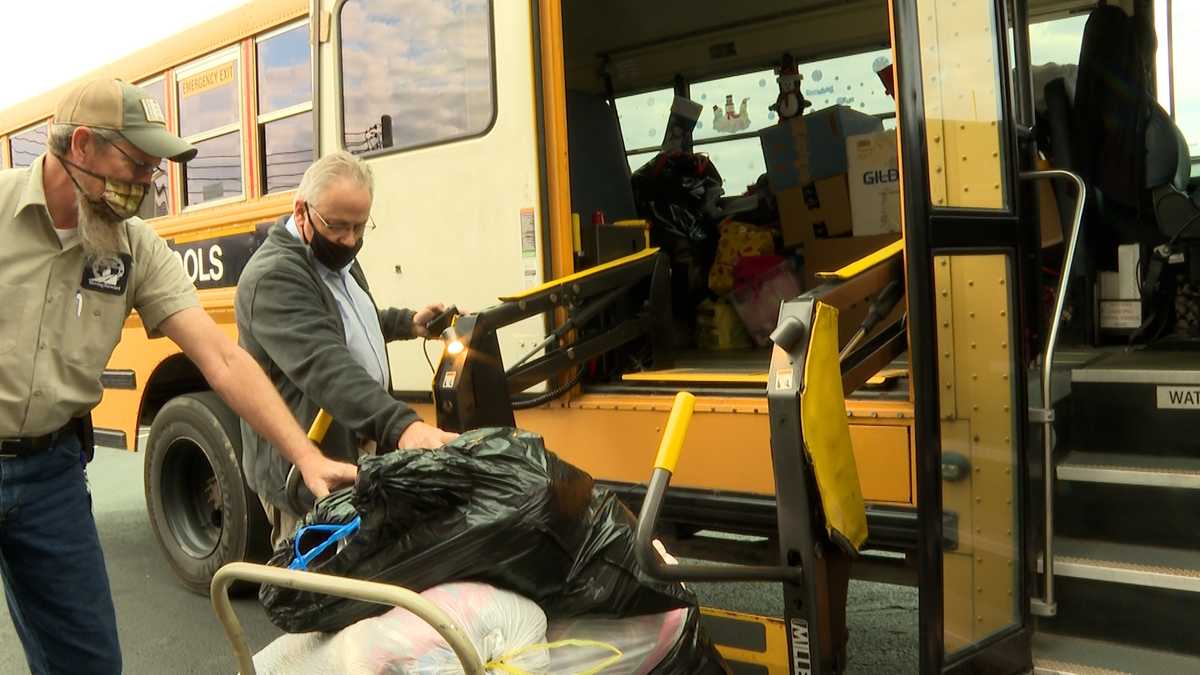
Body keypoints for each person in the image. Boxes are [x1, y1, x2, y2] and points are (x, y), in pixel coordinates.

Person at [0, 78, 357, 674]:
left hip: (50, 476)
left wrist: (305, 455)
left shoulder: (134, 248)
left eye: (153, 170)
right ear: (81, 146)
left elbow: (222, 359)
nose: (146, 184)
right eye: (136, 164)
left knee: (86, 662)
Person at [235, 151, 458, 548]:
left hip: (355, 458)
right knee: (321, 596)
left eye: (359, 227)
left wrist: (408, 323)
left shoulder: (335, 259)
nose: (350, 240)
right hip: (309, 481)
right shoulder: (273, 278)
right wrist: (401, 426)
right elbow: (325, 364)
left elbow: (348, 320)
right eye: (338, 226)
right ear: (301, 212)